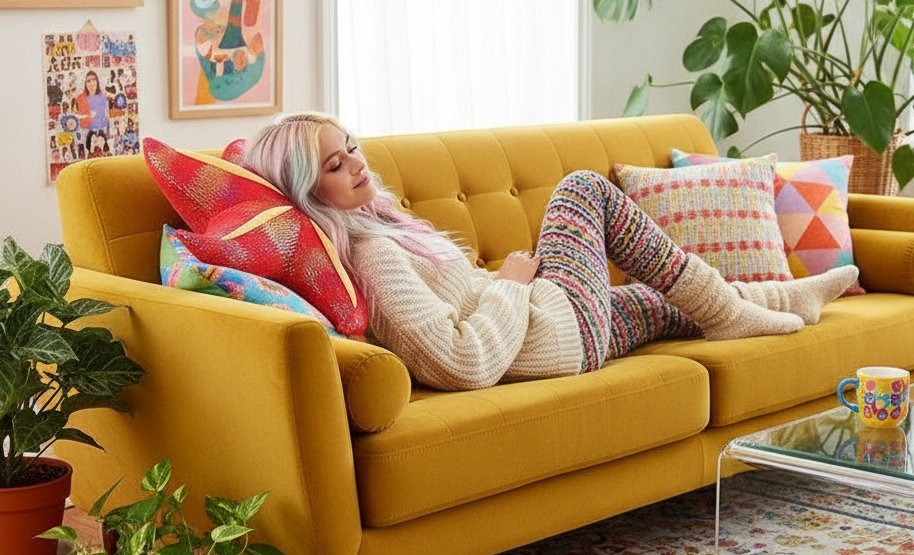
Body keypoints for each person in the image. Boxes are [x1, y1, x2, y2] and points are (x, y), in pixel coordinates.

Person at [245, 113, 858, 392]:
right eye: (334, 163)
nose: (356, 163)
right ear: (306, 190)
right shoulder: (373, 259)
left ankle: (785, 297)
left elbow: (462, 306)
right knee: (582, 190)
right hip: (554, 334)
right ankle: (731, 313)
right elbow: (461, 363)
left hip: (556, 329)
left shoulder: (382, 224)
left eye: (351, 147)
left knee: (659, 301)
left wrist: (505, 284)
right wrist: (512, 283)